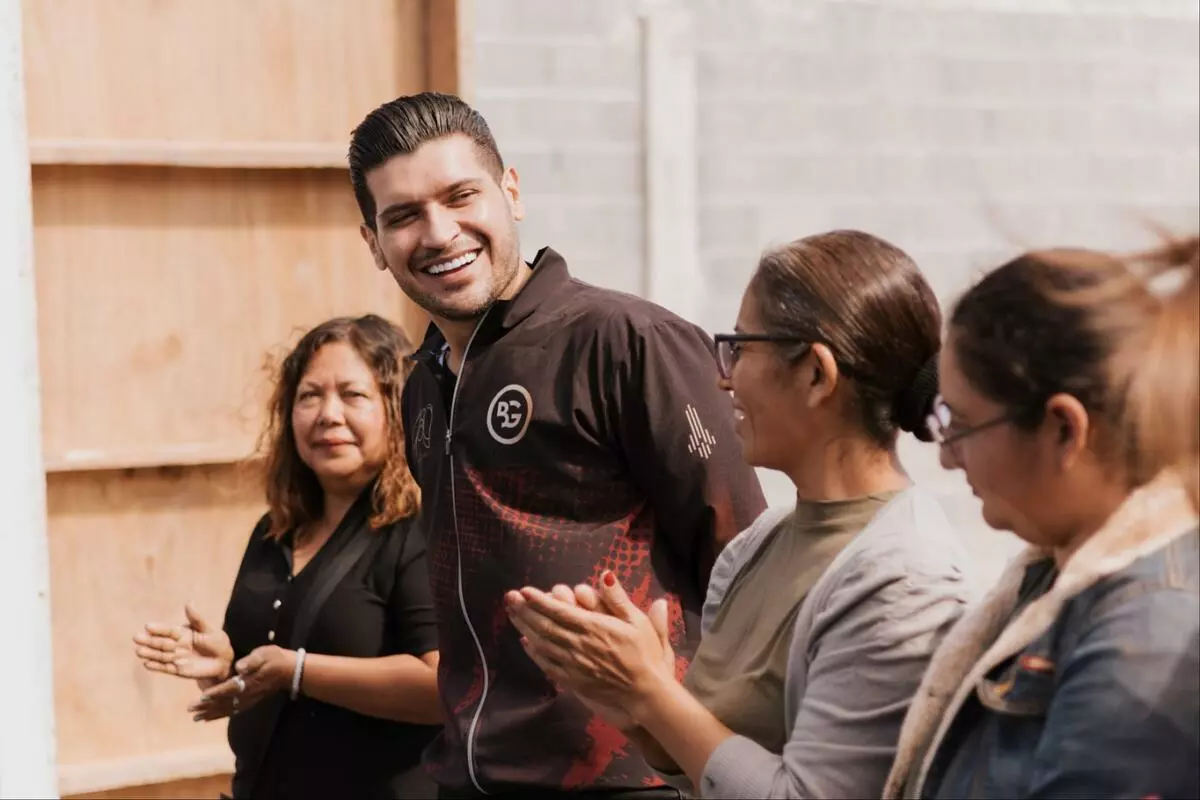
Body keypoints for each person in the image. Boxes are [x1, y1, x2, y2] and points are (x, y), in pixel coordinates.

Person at [348, 92, 766, 798]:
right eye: (404, 216)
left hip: (637, 778)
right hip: (470, 778)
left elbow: (746, 565)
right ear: (374, 244)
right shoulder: (422, 383)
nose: (440, 232)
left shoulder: (629, 342)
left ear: (511, 191)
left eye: (460, 197)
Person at [508, 230, 977, 798]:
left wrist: (653, 694)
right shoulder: (756, 546)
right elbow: (709, 762)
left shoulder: (903, 577)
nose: (722, 376)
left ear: (816, 374)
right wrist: (628, 694)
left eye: (739, 348)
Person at [883, 237, 1200, 799]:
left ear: (1063, 430)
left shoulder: (1145, 638)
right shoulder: (1059, 575)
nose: (947, 456)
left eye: (960, 424)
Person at [133, 315, 441, 799]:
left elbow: (440, 686)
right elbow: (268, 671)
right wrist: (226, 667)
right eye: (310, 395)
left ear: (398, 408)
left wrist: (296, 671)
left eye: (353, 395)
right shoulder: (273, 531)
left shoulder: (418, 530)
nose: (328, 414)